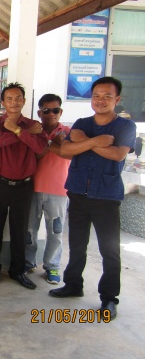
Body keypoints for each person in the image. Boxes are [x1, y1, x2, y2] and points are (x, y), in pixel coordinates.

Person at [49, 77, 136, 320]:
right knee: (77, 244)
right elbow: (66, 150)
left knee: (110, 250)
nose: (101, 100)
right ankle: (73, 285)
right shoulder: (82, 123)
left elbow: (117, 154)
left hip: (106, 196)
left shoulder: (125, 127)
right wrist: (95, 142)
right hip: (78, 192)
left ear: (117, 99)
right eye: (97, 95)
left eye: (107, 96)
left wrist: (85, 143)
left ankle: (109, 297)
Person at [0, 83, 47, 290]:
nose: (14, 102)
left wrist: (19, 129)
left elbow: (40, 147)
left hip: (24, 186)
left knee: (20, 230)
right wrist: (25, 132)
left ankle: (17, 270)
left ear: (24, 101)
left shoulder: (33, 124)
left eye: (18, 98)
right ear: (3, 102)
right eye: (9, 98)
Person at [25, 94, 71, 285]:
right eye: (46, 110)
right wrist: (52, 144)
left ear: (60, 112)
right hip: (32, 188)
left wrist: (51, 145)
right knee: (29, 229)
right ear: (39, 112)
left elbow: (70, 154)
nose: (51, 114)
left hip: (59, 190)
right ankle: (28, 262)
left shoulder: (69, 132)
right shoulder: (34, 132)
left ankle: (52, 266)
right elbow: (31, 158)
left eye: (55, 110)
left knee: (56, 231)